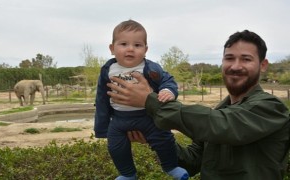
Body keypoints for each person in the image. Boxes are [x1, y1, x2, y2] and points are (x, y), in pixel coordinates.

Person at [107, 30, 290, 180]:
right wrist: (153, 138)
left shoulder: (271, 108)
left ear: (263, 65)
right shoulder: (220, 111)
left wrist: (150, 101)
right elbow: (192, 161)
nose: (235, 66)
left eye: (246, 59)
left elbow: (222, 125)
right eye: (229, 58)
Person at [94, 20, 189, 180]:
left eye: (137, 45)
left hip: (148, 117)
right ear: (112, 48)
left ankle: (171, 166)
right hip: (119, 120)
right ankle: (128, 174)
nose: (130, 49)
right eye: (123, 44)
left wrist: (167, 90)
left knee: (164, 139)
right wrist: (102, 128)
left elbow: (168, 80)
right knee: (116, 147)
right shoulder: (107, 70)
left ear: (145, 50)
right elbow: (102, 99)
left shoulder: (150, 68)